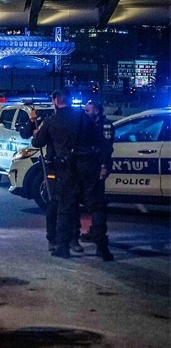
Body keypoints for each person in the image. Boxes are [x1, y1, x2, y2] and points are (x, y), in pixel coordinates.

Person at [30, 90, 112, 260]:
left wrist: (36, 132)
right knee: (96, 206)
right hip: (89, 166)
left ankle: (63, 247)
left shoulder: (52, 121)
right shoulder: (83, 118)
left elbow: (37, 142)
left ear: (55, 101)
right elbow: (100, 142)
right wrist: (103, 165)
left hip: (67, 168)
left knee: (65, 207)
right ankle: (102, 247)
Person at [78, 100, 114, 247]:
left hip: (99, 166)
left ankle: (98, 234)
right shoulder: (90, 125)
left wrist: (104, 166)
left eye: (88, 111)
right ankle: (95, 231)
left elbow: (105, 148)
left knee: (98, 201)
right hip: (90, 166)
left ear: (96, 111)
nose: (86, 113)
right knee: (91, 200)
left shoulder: (104, 126)